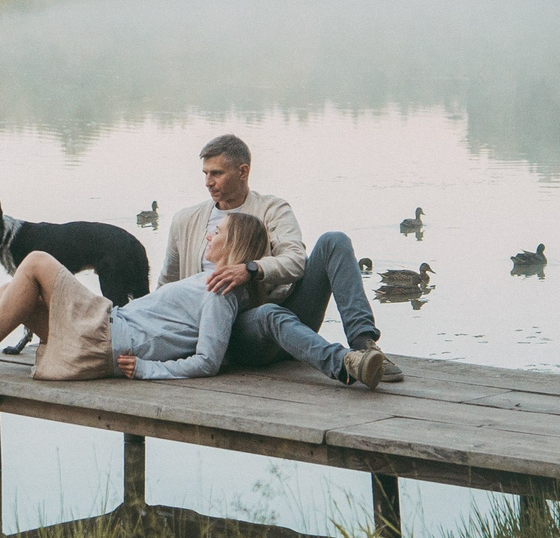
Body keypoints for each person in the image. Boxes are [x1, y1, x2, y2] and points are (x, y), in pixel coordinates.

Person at [0, 211, 272, 383]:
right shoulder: (211, 283)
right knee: (8, 290)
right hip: (101, 336)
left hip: (106, 335)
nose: (208, 236)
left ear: (234, 243)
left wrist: (147, 369)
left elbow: (207, 361)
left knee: (37, 259)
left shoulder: (220, 294)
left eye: (217, 232)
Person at [157, 133, 394, 387]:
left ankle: (364, 346)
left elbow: (295, 261)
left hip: (285, 319)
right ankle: (344, 363)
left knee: (334, 241)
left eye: (216, 173)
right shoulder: (185, 221)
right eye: (205, 173)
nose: (208, 182)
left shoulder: (272, 209)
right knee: (267, 314)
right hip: (232, 335)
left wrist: (252, 269)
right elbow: (167, 284)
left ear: (243, 171)